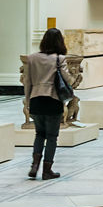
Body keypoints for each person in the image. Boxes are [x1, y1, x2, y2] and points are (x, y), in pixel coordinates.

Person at [23, 28, 73, 180]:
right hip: (53, 100)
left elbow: (27, 82)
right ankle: (47, 170)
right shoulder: (59, 59)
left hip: (36, 99)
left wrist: (28, 101)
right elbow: (68, 80)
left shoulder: (32, 58)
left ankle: (34, 165)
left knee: (39, 134)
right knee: (51, 136)